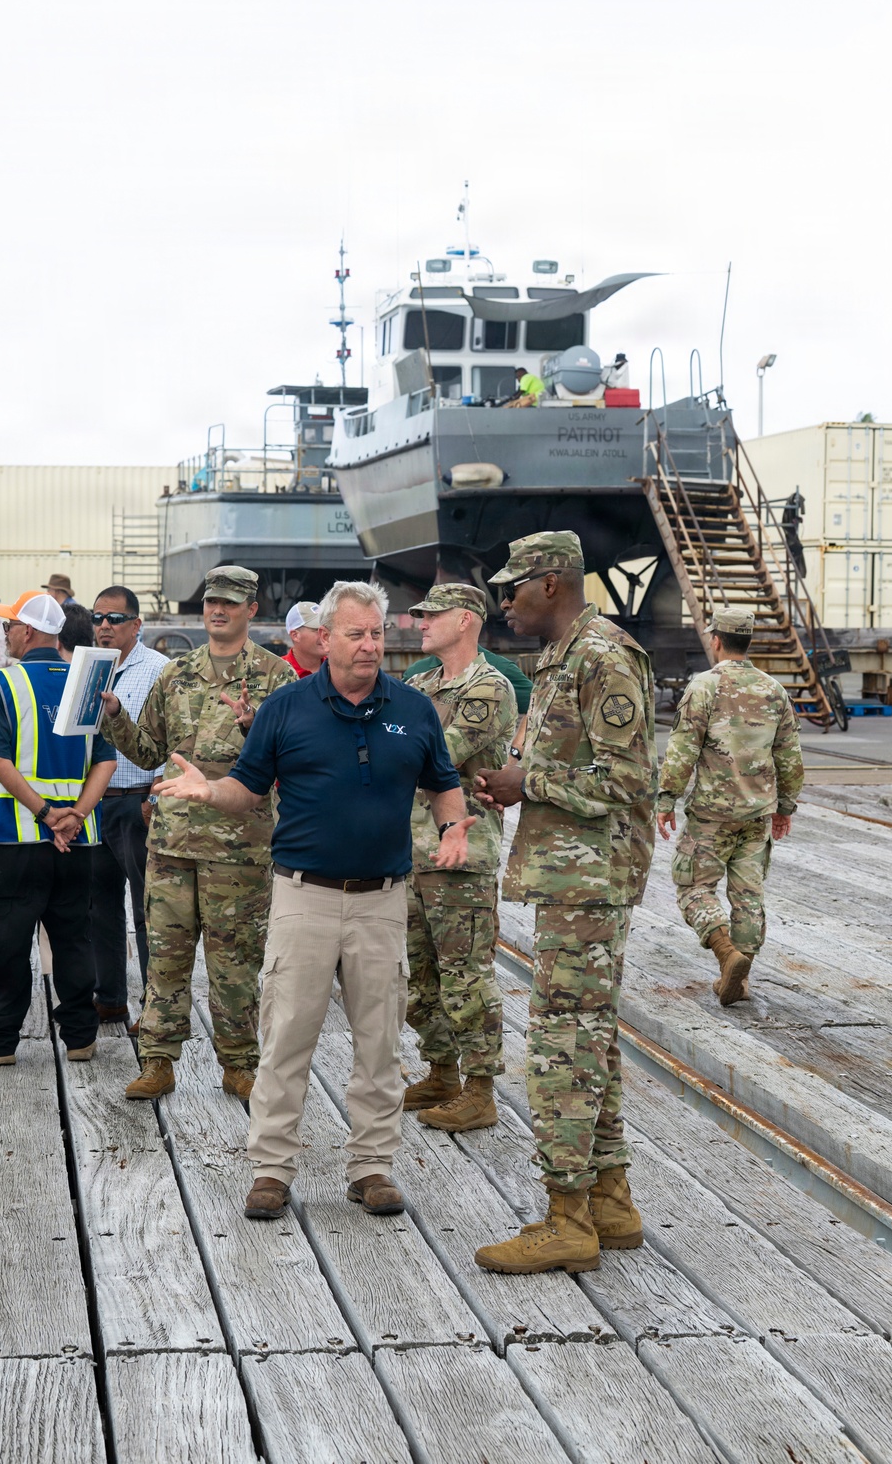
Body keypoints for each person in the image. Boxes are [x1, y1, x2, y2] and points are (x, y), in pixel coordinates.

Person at [155, 579, 471, 1220]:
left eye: (377, 633)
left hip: (383, 900)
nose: (369, 646)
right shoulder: (286, 707)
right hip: (302, 898)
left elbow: (444, 783)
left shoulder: (411, 708)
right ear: (324, 639)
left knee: (379, 1042)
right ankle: (271, 1171)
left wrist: (453, 826)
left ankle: (372, 1167)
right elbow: (247, 788)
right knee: (286, 1038)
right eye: (355, 634)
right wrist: (208, 790)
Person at [472, 531, 656, 1274]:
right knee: (591, 1038)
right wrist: (518, 776)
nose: (504, 602)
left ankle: (566, 1217)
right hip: (570, 879)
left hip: (591, 884)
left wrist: (530, 786)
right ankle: (610, 1200)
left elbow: (630, 783)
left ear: (551, 584)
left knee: (563, 1043)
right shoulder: (562, 656)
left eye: (512, 588)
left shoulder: (603, 655)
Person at [99, 565, 294, 1102]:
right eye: (212, 600)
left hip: (239, 848)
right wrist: (114, 713)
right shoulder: (177, 673)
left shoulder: (278, 678)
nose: (218, 610)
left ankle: (239, 1065)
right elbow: (146, 752)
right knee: (164, 956)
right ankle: (158, 1061)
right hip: (171, 844)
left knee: (235, 964)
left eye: (230, 602)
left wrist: (259, 728)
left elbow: (299, 758)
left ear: (252, 610)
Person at [0, 591, 117, 1065]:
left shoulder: (3, 684)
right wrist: (73, 816)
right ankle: (80, 1037)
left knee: (11, 942)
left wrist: (44, 814)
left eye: (11, 625)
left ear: (27, 632)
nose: (7, 631)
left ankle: (1, 1042)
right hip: (79, 840)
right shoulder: (86, 683)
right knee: (74, 937)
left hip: (18, 840)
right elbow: (105, 765)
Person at [403, 583, 516, 1131]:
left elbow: (437, 755)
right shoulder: (419, 682)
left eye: (432, 614)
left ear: (467, 620)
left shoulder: (488, 688)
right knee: (421, 975)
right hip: (412, 849)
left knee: (466, 974)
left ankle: (480, 1088)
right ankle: (442, 1071)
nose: (419, 621)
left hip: (461, 849)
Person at [656, 607, 804, 1006]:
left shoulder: (703, 686)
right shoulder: (774, 690)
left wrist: (666, 798)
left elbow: (682, 750)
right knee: (749, 895)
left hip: (710, 816)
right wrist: (785, 807)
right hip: (757, 814)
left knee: (693, 887)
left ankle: (726, 955)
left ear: (716, 640)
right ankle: (739, 975)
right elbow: (789, 755)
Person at [87, 587, 168, 1028]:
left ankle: (155, 1006)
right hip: (94, 803)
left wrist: (155, 796)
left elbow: (176, 740)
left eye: (114, 619)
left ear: (137, 625)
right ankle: (110, 997)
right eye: (98, 618)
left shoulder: (159, 670)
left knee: (148, 908)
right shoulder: (87, 668)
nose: (103, 626)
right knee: (99, 905)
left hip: (137, 803)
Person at [404, 641, 532, 716]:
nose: (422, 626)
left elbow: (536, 706)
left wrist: (516, 750)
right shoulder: (416, 673)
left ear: (464, 621)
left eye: (434, 616)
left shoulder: (500, 669)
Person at [282, 601, 324, 677]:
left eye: (328, 629)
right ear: (295, 635)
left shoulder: (339, 668)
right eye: (317, 630)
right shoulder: (276, 672)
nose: (326, 635)